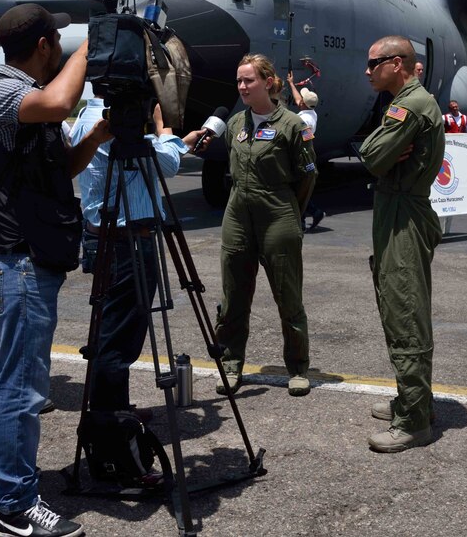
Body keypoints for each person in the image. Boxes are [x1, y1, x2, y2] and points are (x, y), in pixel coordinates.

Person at [0, 4, 111, 537]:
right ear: (45, 44)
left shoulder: (30, 106)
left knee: (1, 368)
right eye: (61, 43)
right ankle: (15, 507)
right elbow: (63, 98)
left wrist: (99, 135)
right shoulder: (6, 91)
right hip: (16, 258)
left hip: (21, 257)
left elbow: (61, 167)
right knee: (22, 385)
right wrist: (96, 44)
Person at [70, 87, 208, 420]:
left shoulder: (84, 119)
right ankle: (111, 419)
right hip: (126, 241)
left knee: (113, 328)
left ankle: (113, 407)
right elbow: (168, 164)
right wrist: (166, 130)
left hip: (106, 238)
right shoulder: (110, 125)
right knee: (120, 335)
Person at [359, 35, 444, 453]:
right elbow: (377, 151)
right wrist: (383, 147)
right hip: (398, 209)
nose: (368, 70)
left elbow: (371, 156)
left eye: (374, 63)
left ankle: (414, 419)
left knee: (404, 308)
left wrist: (382, 147)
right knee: (398, 303)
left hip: (404, 214)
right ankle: (414, 399)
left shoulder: (409, 104)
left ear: (397, 63)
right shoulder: (407, 102)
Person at [215, 54, 317, 398]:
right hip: (238, 216)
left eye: (250, 80)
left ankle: (299, 367)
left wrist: (290, 213)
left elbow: (307, 177)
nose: (242, 86)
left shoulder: (293, 125)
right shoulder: (234, 125)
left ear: (269, 83)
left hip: (278, 215)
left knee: (288, 297)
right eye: (240, 81)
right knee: (233, 296)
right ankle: (230, 363)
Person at [287, 70, 326, 232]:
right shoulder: (310, 111)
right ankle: (312, 213)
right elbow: (298, 99)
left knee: (296, 190)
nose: (299, 100)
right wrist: (291, 83)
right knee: (296, 190)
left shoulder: (305, 120)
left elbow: (304, 138)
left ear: (303, 104)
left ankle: (304, 220)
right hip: (300, 156)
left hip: (299, 157)